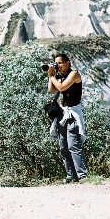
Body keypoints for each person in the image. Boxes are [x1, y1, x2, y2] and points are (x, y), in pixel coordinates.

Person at [47, 53, 88, 184]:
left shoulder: (74, 74)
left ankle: (82, 175)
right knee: (63, 146)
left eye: (59, 63)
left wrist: (51, 76)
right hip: (62, 115)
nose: (57, 65)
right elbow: (51, 89)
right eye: (56, 63)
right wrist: (52, 75)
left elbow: (61, 87)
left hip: (72, 115)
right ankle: (70, 176)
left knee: (73, 145)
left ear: (68, 62)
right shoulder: (60, 76)